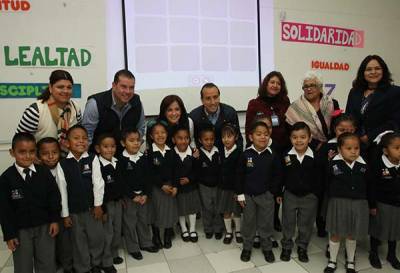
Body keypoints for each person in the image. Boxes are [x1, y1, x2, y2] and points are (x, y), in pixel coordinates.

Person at [0, 132, 61, 273]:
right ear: (12, 152)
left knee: (47, 261)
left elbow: (54, 197)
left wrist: (54, 220)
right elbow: (4, 210)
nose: (27, 156)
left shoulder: (44, 172)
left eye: (32, 151)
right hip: (20, 231)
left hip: (45, 226)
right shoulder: (6, 179)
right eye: (22, 152)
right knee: (23, 265)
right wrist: (10, 235)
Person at [56, 125, 105, 273]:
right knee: (79, 241)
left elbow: (98, 183)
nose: (81, 141)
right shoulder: (63, 164)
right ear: (67, 143)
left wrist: (98, 205)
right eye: (76, 138)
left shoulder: (92, 158)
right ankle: (83, 267)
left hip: (92, 209)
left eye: (84, 138)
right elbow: (62, 191)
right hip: (74, 212)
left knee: (96, 237)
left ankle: (96, 263)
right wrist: (65, 214)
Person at [236, 121, 282, 263]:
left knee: (266, 223)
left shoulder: (273, 155)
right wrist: (240, 194)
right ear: (251, 137)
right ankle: (247, 247)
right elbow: (239, 176)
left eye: (266, 134)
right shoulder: (246, 155)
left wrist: (272, 192)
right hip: (248, 196)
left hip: (266, 196)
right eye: (259, 134)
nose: (263, 137)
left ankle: (267, 248)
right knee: (248, 222)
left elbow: (278, 175)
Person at [323, 133, 369, 273]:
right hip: (338, 203)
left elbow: (369, 186)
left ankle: (350, 261)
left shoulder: (364, 165)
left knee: (351, 234)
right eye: (348, 148)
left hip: (358, 204)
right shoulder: (333, 164)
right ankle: (332, 260)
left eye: (356, 148)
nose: (353, 151)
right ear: (339, 149)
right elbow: (326, 184)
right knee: (335, 233)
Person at [278, 122, 320, 263]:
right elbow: (281, 176)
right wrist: (279, 193)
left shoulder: (315, 156)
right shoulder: (286, 156)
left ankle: (302, 246)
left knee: (306, 223)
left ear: (310, 138)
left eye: (303, 137)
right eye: (295, 137)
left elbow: (320, 177)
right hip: (290, 194)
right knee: (288, 222)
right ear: (290, 139)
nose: (299, 140)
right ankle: (287, 246)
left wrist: (316, 193)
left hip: (309, 196)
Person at [16, 70, 82, 154]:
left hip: (67, 162)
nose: (65, 91)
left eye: (69, 87)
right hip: (40, 162)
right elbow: (19, 142)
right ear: (50, 88)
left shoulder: (76, 108)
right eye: (60, 87)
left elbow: (78, 135)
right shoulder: (36, 111)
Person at [82, 69, 145, 154]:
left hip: (126, 156)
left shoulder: (136, 102)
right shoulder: (95, 103)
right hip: (99, 157)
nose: (128, 91)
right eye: (123, 86)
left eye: (131, 88)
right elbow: (87, 136)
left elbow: (140, 129)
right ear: (114, 85)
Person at [316, 114, 358, 238]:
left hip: (349, 187)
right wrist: (329, 160)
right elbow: (319, 165)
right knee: (326, 208)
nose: (345, 133)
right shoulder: (328, 145)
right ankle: (323, 228)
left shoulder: (357, 146)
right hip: (329, 186)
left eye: (349, 130)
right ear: (335, 129)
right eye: (342, 130)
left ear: (354, 129)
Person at [119, 128, 158, 259]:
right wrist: (132, 196)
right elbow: (122, 183)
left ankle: (146, 242)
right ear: (123, 143)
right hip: (130, 198)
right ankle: (133, 247)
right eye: (131, 140)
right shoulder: (120, 160)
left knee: (143, 220)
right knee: (130, 223)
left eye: (138, 140)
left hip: (143, 197)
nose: (136, 143)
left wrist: (145, 194)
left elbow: (149, 178)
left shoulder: (143, 157)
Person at [346, 55, 400, 147]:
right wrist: (358, 136)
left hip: (382, 144)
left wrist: (369, 136)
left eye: (377, 68)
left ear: (383, 71)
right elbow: (349, 117)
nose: (373, 72)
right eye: (369, 69)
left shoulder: (394, 92)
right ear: (363, 72)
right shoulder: (354, 92)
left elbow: (395, 121)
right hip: (356, 144)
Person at [37, 137, 73, 273]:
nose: (51, 157)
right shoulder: (37, 172)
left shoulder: (64, 166)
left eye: (55, 152)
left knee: (65, 242)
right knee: (48, 243)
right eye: (45, 154)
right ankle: (53, 264)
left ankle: (68, 266)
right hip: (46, 216)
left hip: (64, 213)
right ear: (38, 155)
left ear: (60, 152)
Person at [92, 133, 124, 272]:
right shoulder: (97, 165)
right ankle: (106, 261)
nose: (109, 149)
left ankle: (113, 253)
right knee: (107, 232)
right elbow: (98, 189)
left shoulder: (117, 162)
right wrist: (103, 209)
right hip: (107, 205)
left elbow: (120, 184)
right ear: (98, 149)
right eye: (106, 147)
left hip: (117, 203)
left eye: (112, 146)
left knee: (117, 230)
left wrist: (121, 198)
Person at [368, 132, 400, 270]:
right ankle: (373, 253)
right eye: (397, 148)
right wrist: (372, 205)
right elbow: (372, 186)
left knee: (395, 231)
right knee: (378, 229)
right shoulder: (378, 164)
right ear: (386, 151)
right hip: (382, 203)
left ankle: (391, 255)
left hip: (398, 204)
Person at [286, 71, 338, 151]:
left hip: (333, 147)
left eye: (312, 85)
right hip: (309, 149)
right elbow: (292, 132)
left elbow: (337, 126)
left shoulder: (332, 103)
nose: (308, 89)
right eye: (305, 86)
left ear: (319, 86)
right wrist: (318, 145)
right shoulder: (295, 107)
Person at [147, 120, 178, 249]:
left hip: (170, 186)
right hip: (157, 187)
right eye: (156, 133)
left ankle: (167, 234)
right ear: (151, 136)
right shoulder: (149, 153)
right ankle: (156, 235)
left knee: (170, 211)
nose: (160, 135)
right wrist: (161, 185)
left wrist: (175, 185)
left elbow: (176, 170)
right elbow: (150, 174)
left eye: (163, 132)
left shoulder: (171, 151)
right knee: (156, 211)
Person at [245, 71, 291, 152]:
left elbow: (289, 126)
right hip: (261, 149)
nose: (275, 85)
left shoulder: (285, 102)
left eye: (278, 83)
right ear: (266, 84)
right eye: (272, 82)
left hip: (283, 148)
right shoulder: (254, 104)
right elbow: (249, 129)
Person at [190, 82, 243, 151]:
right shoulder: (194, 116)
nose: (213, 102)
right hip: (204, 159)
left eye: (215, 97)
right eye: (208, 98)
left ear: (219, 97)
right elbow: (192, 143)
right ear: (202, 100)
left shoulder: (230, 113)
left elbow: (238, 140)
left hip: (227, 157)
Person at [172, 126, 201, 243]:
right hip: (179, 188)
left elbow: (198, 171)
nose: (183, 141)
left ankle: (192, 228)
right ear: (174, 140)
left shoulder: (194, 153)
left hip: (191, 187)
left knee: (192, 209)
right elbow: (171, 171)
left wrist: (189, 179)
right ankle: (184, 228)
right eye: (180, 138)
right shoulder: (171, 153)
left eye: (186, 138)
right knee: (181, 209)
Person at [195, 126, 224, 240]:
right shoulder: (197, 154)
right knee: (207, 207)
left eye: (211, 139)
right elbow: (196, 170)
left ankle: (218, 228)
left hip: (217, 185)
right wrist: (194, 159)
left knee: (217, 207)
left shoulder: (218, 152)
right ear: (200, 140)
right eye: (206, 139)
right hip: (204, 186)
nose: (209, 142)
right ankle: (208, 228)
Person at [218, 123, 242, 244]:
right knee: (226, 211)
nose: (226, 139)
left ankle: (238, 231)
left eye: (229, 136)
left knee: (236, 211)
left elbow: (240, 174)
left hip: (235, 188)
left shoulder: (239, 153)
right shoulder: (220, 151)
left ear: (236, 137)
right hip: (224, 188)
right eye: (223, 137)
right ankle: (228, 232)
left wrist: (238, 191)